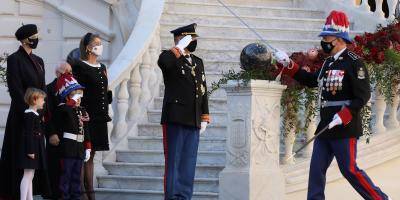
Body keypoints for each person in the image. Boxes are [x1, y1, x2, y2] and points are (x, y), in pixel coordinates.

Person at [274, 10, 390, 200]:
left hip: (345, 126)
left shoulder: (354, 63)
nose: (324, 42)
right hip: (326, 125)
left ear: (339, 39)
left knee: (350, 169)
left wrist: (343, 115)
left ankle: (380, 198)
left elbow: (363, 96)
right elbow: (312, 80)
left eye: (327, 38)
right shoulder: (328, 63)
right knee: (316, 171)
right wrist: (289, 64)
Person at [157, 23, 210, 200]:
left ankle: (184, 197)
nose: (194, 42)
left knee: (188, 163)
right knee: (174, 162)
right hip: (176, 118)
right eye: (191, 38)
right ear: (181, 39)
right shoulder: (170, 57)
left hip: (193, 118)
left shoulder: (197, 62)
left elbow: (202, 89)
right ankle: (172, 197)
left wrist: (204, 115)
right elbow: (163, 62)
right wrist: (178, 47)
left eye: (194, 38)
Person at [0, 24, 49, 199]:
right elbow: (15, 89)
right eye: (34, 36)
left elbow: (43, 88)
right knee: (22, 158)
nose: (37, 39)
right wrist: (30, 111)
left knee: (33, 164)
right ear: (25, 40)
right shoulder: (14, 59)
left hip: (37, 115)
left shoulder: (39, 61)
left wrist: (41, 112)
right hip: (22, 117)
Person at [71, 32, 112, 200]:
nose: (99, 46)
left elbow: (106, 95)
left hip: (100, 116)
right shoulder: (79, 66)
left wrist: (108, 89)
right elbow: (77, 93)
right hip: (87, 117)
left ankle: (91, 193)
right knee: (83, 154)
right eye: (96, 43)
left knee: (92, 155)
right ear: (88, 47)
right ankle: (81, 193)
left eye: (100, 43)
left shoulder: (102, 68)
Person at [54, 73, 91, 200]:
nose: (78, 98)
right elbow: (63, 113)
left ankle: (76, 197)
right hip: (68, 147)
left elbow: (86, 130)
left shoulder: (82, 110)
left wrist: (88, 147)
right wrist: (71, 102)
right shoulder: (64, 108)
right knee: (66, 175)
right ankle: (64, 196)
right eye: (74, 95)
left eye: (79, 95)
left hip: (79, 147)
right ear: (67, 97)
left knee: (76, 176)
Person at [44, 63, 72, 199]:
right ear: (57, 73)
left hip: (70, 135)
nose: (68, 74)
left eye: (70, 72)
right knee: (54, 168)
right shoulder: (49, 89)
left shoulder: (73, 88)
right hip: (55, 134)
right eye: (65, 72)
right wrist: (51, 133)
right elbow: (46, 114)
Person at [18, 88, 47, 200]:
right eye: (42, 99)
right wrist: (30, 151)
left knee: (31, 175)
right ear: (35, 99)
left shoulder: (34, 114)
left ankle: (29, 198)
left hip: (34, 148)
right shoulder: (30, 115)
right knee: (27, 175)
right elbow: (28, 134)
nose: (44, 102)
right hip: (30, 149)